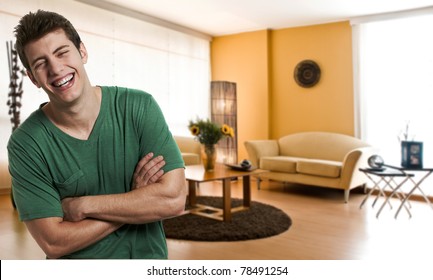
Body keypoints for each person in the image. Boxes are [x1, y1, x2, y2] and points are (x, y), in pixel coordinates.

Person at [7, 10, 187, 259]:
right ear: (33, 78)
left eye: (62, 53)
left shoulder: (139, 107)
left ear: (82, 52)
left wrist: (83, 206)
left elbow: (174, 200)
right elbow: (54, 242)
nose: (56, 69)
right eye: (41, 63)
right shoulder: (26, 144)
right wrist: (134, 201)